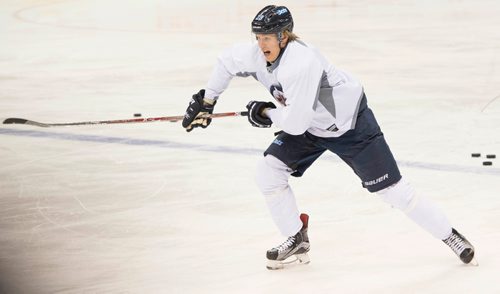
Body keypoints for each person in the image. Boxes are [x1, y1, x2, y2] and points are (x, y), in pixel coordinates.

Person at [182, 5, 476, 270]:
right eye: (257, 37)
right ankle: (295, 237)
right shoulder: (258, 53)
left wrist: (266, 113)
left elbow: (294, 123)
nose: (261, 45)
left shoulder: (301, 62)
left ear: (284, 36)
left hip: (349, 127)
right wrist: (208, 101)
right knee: (268, 172)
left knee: (394, 192)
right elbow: (225, 63)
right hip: (310, 127)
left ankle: (450, 236)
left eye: (267, 38)